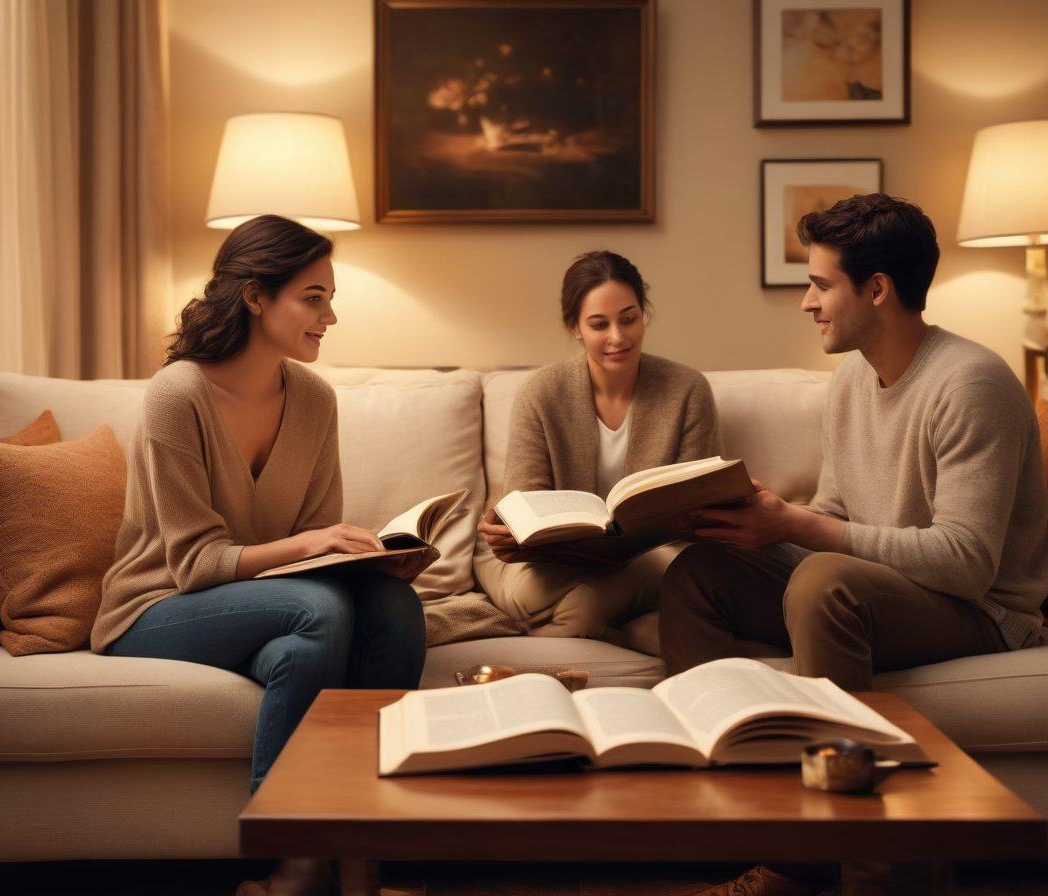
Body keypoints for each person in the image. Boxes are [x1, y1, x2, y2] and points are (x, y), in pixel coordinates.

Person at [659, 193, 1048, 896]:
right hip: (878, 587)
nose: (807, 302)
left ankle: (857, 872)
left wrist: (802, 528)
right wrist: (758, 520)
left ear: (877, 289)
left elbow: (966, 563)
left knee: (822, 583)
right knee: (699, 574)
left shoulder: (972, 384)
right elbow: (838, 511)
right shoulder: (850, 382)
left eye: (820, 284)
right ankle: (749, 828)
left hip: (982, 611)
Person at [91, 215, 427, 896]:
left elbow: (314, 535)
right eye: (313, 297)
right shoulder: (176, 396)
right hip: (158, 607)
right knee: (317, 611)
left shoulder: (314, 399)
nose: (329, 316)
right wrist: (311, 548)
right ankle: (295, 858)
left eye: (330, 298)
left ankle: (360, 847)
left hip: (267, 607)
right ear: (254, 297)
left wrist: (367, 561)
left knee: (390, 607)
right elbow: (192, 563)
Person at [476, 250, 721, 645]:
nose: (617, 338)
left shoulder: (687, 390)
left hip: (651, 555)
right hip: (555, 562)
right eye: (598, 324)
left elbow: (696, 507)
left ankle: (587, 619)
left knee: (679, 565)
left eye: (629, 319)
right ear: (574, 327)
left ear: (645, 312)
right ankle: (626, 627)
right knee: (527, 594)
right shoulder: (541, 393)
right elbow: (527, 499)